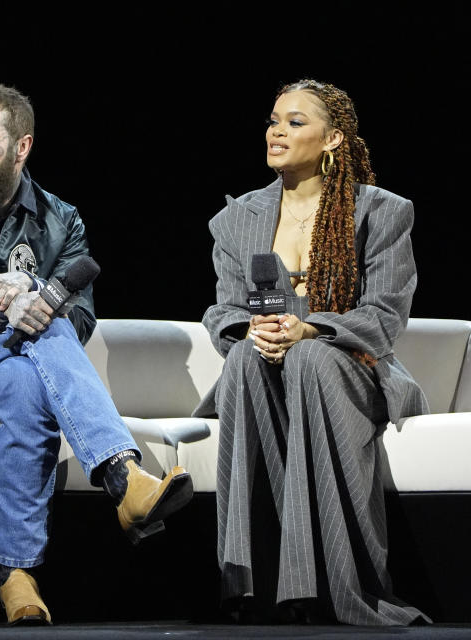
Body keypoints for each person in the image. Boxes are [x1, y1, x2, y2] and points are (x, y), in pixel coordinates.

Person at [0, 84, 193, 625]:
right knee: (41, 321)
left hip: (13, 368)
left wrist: (29, 300)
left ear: (20, 147)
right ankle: (123, 477)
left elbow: (80, 318)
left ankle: (18, 576)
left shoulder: (63, 220)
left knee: (28, 377)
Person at [194, 79, 430, 625]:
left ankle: (327, 585)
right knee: (243, 359)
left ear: (333, 140)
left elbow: (385, 316)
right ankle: (252, 586)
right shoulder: (238, 219)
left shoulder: (380, 211)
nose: (277, 131)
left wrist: (307, 330)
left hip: (349, 366)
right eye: (274, 120)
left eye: (295, 122)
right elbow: (223, 309)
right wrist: (251, 333)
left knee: (308, 358)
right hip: (265, 366)